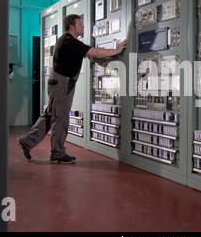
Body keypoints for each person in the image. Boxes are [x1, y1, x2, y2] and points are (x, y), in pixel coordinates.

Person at [17, 14, 128, 164]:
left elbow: (90, 53)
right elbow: (93, 51)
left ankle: (27, 142)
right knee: (60, 118)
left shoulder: (70, 41)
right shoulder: (68, 41)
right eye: (80, 24)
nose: (83, 26)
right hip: (61, 84)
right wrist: (117, 50)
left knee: (51, 116)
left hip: (61, 84)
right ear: (72, 27)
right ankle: (57, 153)